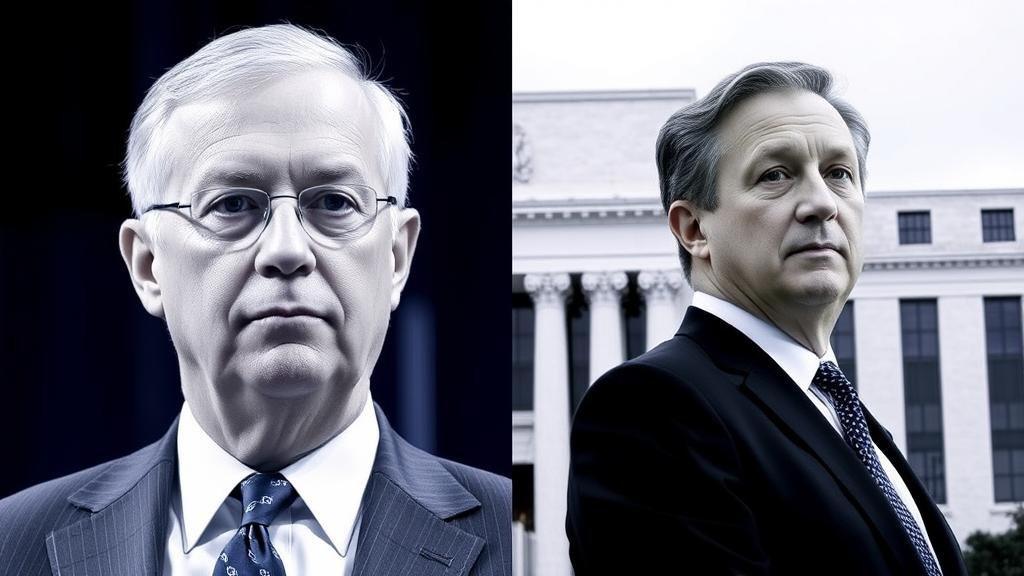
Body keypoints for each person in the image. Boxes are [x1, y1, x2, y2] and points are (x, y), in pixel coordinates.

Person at [0, 24, 510, 576]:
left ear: (396, 257)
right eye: (233, 203)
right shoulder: (14, 545)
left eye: (335, 202)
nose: (288, 249)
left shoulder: (513, 539)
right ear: (147, 265)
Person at [566, 62, 966, 575]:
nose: (821, 203)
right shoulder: (649, 408)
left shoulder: (841, 412)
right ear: (693, 229)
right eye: (775, 175)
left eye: (839, 174)